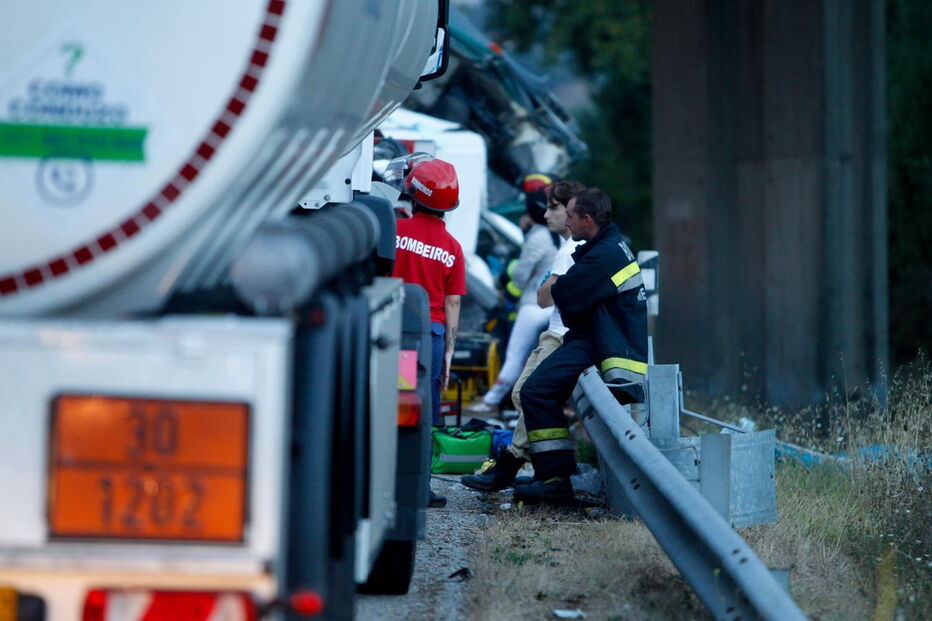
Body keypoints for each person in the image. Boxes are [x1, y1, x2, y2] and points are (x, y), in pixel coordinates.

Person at [514, 189, 649, 506]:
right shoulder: (608, 247)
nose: (567, 223)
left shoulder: (604, 256)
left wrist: (559, 284)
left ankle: (555, 480)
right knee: (538, 391)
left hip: (603, 343)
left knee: (536, 391)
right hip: (597, 338)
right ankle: (553, 478)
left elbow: (566, 296)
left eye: (571, 217)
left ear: (587, 220)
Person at [461, 179, 586, 492]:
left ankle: (516, 464)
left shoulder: (569, 250)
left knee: (529, 395)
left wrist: (546, 285)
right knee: (527, 396)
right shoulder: (566, 246)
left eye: (553, 208)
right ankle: (547, 473)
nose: (546, 215)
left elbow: (545, 297)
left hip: (559, 334)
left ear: (572, 210)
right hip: (556, 330)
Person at [390, 155, 466, 508]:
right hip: (431, 338)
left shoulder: (395, 231)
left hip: (392, 329)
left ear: (414, 193)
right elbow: (452, 305)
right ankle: (419, 488)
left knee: (392, 402)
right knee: (424, 409)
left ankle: (385, 478)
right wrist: (448, 356)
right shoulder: (452, 249)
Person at [470, 173, 560, 415]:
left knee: (515, 355)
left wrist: (508, 297)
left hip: (532, 305)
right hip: (554, 307)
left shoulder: (539, 237)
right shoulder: (560, 236)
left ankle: (490, 401)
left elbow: (520, 275)